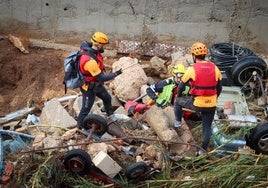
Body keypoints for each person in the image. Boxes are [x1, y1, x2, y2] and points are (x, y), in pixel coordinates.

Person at [174, 42, 222, 155]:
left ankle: (177, 124)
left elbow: (181, 86)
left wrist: (179, 95)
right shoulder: (214, 68)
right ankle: (202, 151)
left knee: (178, 102)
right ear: (205, 55)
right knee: (207, 127)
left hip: (197, 103)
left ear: (194, 56)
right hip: (211, 105)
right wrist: (215, 98)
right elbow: (219, 87)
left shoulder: (192, 69)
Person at [76, 31, 122, 129]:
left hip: (96, 85)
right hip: (88, 88)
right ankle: (79, 127)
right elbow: (101, 77)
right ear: (99, 45)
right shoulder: (89, 60)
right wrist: (115, 74)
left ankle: (111, 117)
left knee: (107, 98)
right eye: (104, 45)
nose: (105, 47)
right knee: (85, 109)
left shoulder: (95, 52)